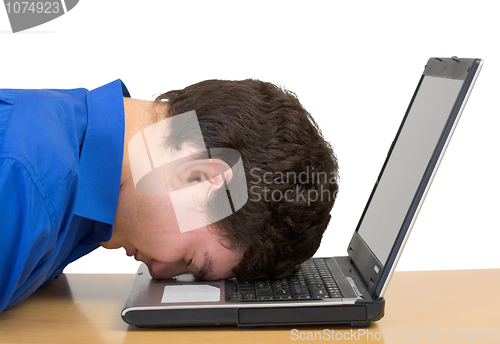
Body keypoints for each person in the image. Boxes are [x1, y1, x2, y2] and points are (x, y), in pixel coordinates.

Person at [0, 79, 339, 313]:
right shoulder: (25, 182)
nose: (162, 273)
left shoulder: (86, 164)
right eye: (190, 261)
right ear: (199, 176)